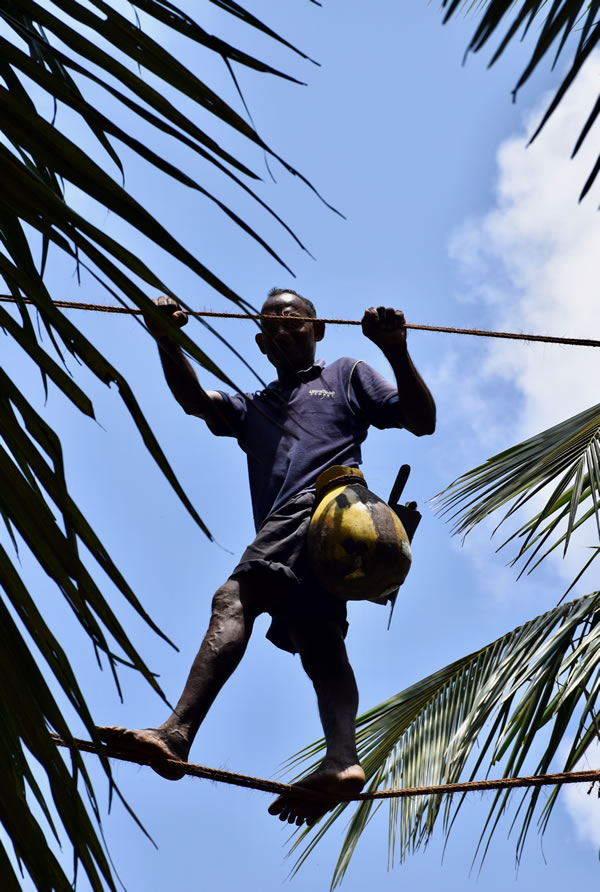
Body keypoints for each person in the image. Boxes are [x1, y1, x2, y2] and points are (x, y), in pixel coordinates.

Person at [99, 288, 436, 826]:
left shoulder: (345, 374)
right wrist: (166, 340)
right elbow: (195, 401)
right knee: (319, 643)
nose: (282, 327)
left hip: (327, 508)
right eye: (271, 324)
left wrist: (396, 349)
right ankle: (344, 760)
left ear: (317, 328)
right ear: (260, 343)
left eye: (293, 319)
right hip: (323, 547)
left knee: (234, 598)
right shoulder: (253, 408)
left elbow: (420, 420)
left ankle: (176, 732)